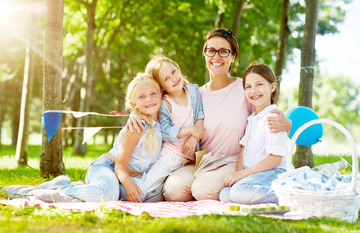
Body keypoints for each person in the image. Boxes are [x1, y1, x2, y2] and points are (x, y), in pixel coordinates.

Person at [126, 28, 291, 201]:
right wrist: (136, 113)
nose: (216, 57)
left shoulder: (245, 88)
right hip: (202, 161)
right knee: (173, 190)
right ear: (205, 54)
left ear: (233, 56)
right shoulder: (196, 94)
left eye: (224, 51)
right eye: (211, 51)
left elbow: (265, 116)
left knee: (203, 190)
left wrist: (287, 124)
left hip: (233, 162)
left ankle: (227, 192)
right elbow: (154, 100)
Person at [40, 73, 163, 202]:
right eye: (142, 96)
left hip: (121, 176)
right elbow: (120, 166)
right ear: (134, 103)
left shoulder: (160, 125)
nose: (149, 99)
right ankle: (61, 187)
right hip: (107, 167)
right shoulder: (136, 128)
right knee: (108, 194)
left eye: (153, 94)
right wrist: (127, 183)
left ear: (161, 94)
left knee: (141, 193)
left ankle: (88, 189)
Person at [220, 63, 293, 204]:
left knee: (237, 192)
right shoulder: (253, 119)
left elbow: (275, 159)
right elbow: (243, 151)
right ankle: (267, 196)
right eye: (248, 86)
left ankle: (290, 196)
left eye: (259, 84)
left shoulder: (273, 118)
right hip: (256, 175)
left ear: (272, 87)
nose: (253, 91)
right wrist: (238, 175)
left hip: (274, 172)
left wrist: (242, 174)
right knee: (225, 194)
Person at [142, 55, 205, 201]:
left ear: (178, 69)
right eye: (166, 79)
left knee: (163, 192)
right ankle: (113, 192)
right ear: (161, 86)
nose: (173, 78)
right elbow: (164, 130)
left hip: (189, 159)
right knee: (145, 189)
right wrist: (190, 130)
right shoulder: (166, 103)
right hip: (171, 156)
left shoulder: (193, 91)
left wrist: (194, 136)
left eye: (173, 72)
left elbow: (200, 115)